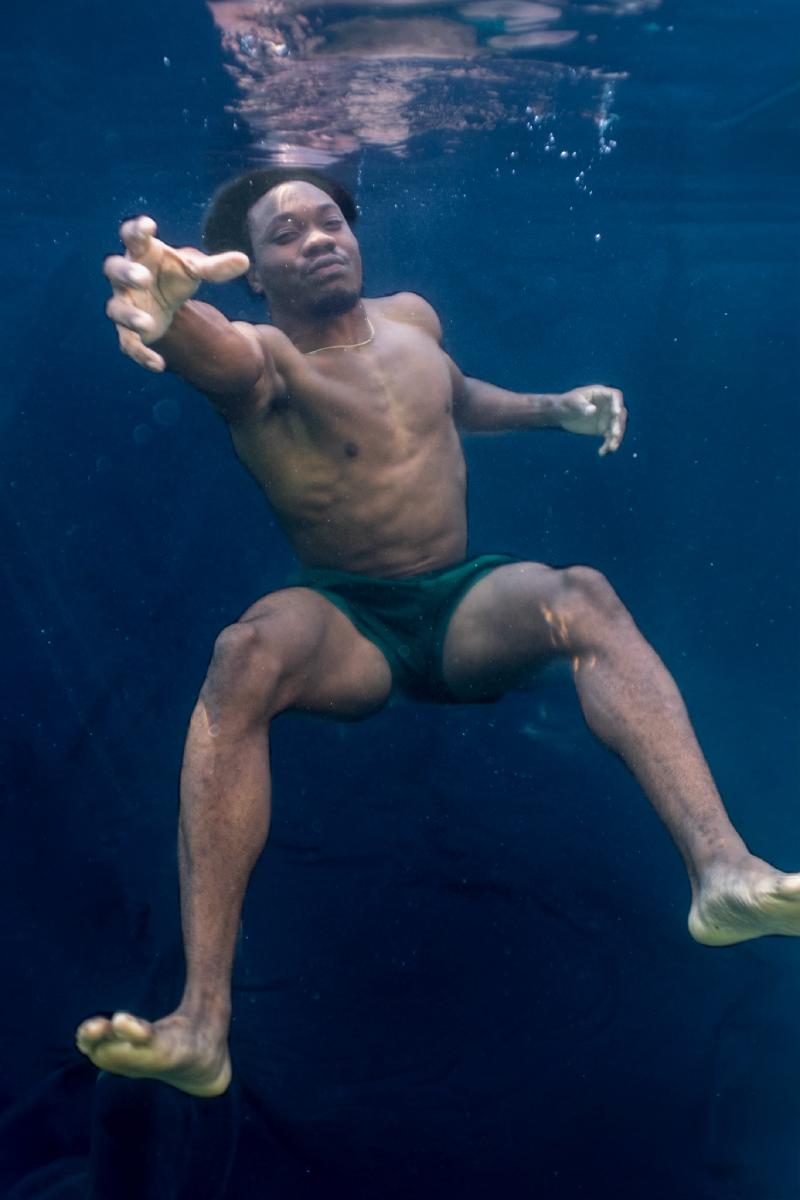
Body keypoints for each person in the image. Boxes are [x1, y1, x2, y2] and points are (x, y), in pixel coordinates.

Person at [76, 167, 800, 1098]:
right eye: (287, 233)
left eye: (329, 221)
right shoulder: (264, 356)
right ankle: (202, 1022)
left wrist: (553, 410)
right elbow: (218, 359)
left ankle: (725, 875)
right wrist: (170, 315)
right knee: (243, 654)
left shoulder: (413, 318)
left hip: (460, 608)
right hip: (347, 619)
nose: (318, 240)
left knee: (582, 593)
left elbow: (454, 398)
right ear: (252, 272)